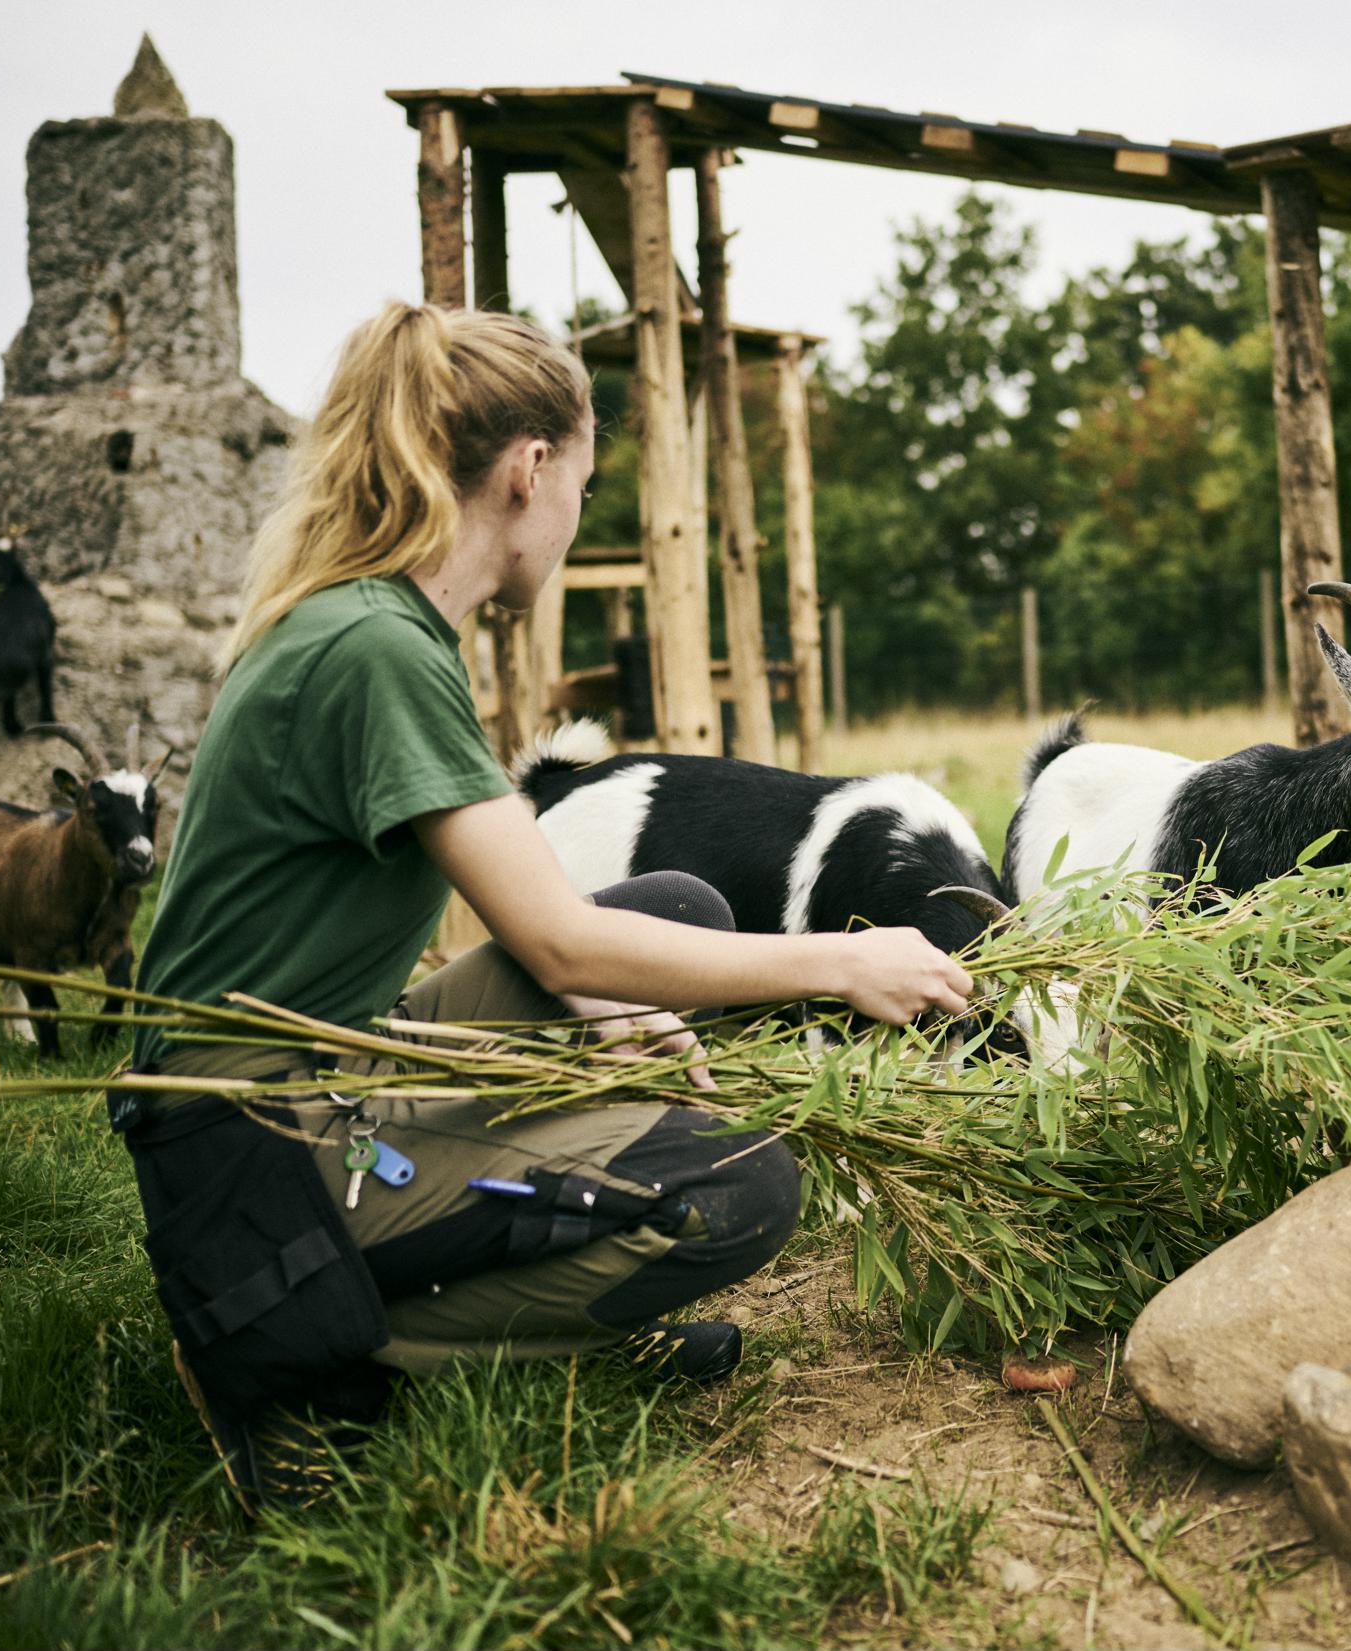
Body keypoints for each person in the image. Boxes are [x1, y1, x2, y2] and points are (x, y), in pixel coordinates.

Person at [120, 301, 971, 1510]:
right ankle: (306, 1351)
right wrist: (840, 965)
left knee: (674, 905)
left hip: (315, 1071)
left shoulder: (370, 621)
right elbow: (560, 936)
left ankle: (521, 1309)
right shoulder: (378, 651)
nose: (577, 518)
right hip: (258, 1149)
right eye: (581, 482)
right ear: (528, 471)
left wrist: (604, 1003)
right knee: (741, 1182)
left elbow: (544, 928)